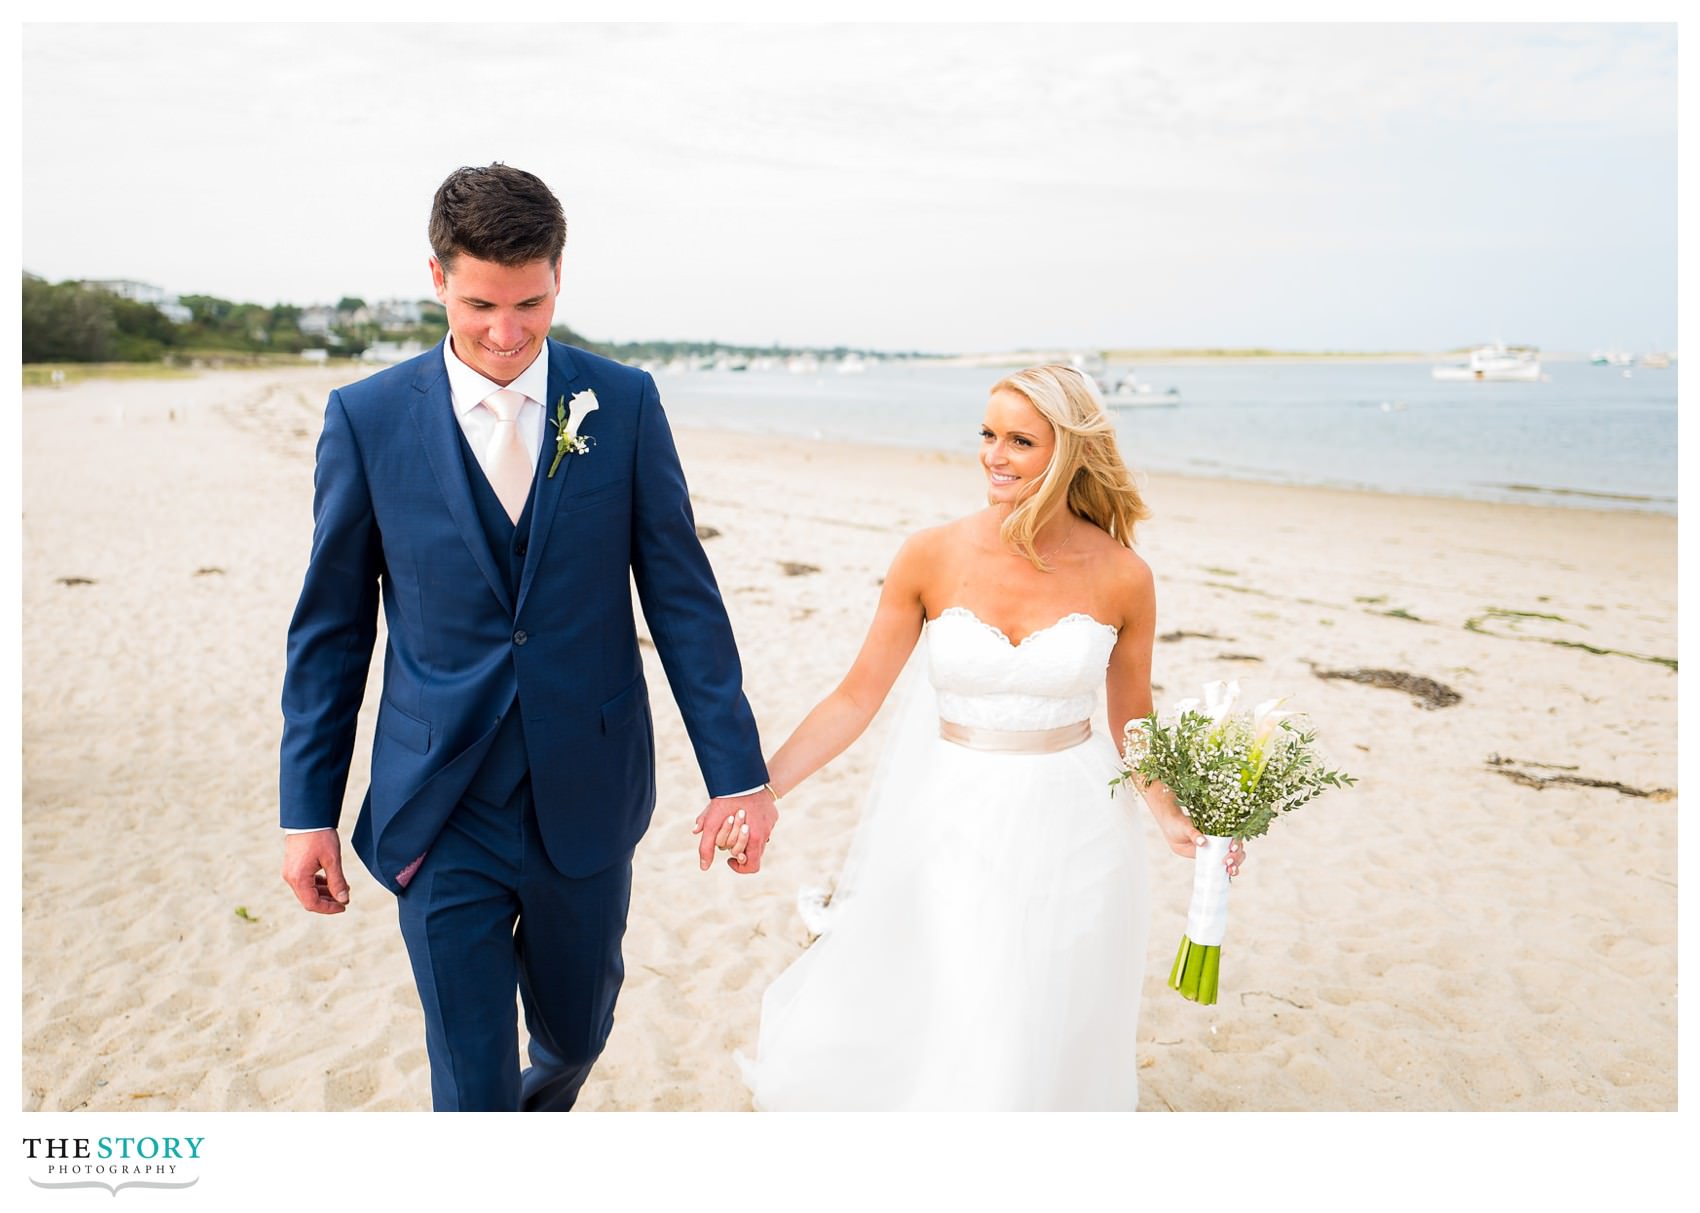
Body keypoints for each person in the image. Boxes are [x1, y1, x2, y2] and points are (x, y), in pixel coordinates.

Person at [278, 164, 777, 1112]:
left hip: (585, 793)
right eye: (479, 305)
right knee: (468, 1080)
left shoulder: (622, 403)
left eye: (530, 304)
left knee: (579, 1028)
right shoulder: (369, 419)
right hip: (438, 802)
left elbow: (682, 597)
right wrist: (308, 808)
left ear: (558, 277)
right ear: (436, 279)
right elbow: (332, 632)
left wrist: (737, 773)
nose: (506, 334)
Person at [718, 363, 1244, 1111]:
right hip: (951, 812)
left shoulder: (1126, 575)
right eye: (988, 434)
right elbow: (854, 697)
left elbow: (1132, 717)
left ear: (1069, 452)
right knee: (973, 986)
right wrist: (760, 788)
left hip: (1080, 819)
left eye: (1020, 440)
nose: (994, 455)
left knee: (1041, 1000)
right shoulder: (930, 555)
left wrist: (1170, 813)